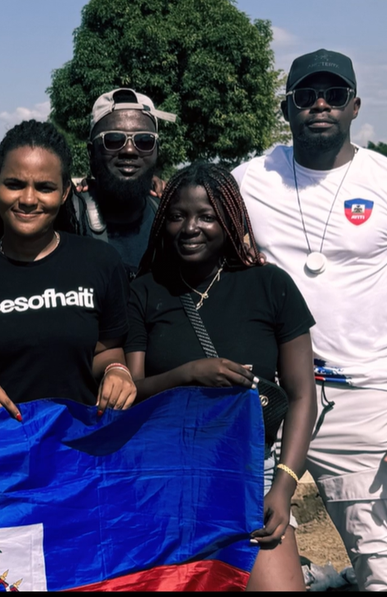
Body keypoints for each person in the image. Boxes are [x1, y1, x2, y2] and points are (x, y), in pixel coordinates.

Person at [234, 49, 387, 591]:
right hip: (271, 400)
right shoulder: (247, 182)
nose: (320, 105)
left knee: (385, 573)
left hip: (364, 403)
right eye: (306, 96)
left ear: (356, 105)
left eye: (334, 95)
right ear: (288, 108)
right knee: (253, 554)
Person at [126, 161, 317, 591]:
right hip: (165, 478)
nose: (189, 227)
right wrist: (187, 374)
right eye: (177, 215)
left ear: (230, 219)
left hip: (251, 475)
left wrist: (283, 488)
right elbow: (133, 392)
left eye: (206, 216)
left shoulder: (270, 286)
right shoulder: (145, 291)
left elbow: (303, 395)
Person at [0, 120, 136, 417]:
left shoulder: (101, 262)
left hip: (73, 448)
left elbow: (105, 351)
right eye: (14, 184)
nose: (28, 199)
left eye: (45, 188)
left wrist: (117, 370)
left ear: (65, 192)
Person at [72, 88, 176, 281]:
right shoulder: (69, 220)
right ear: (91, 152)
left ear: (156, 152)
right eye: (113, 139)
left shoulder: (172, 219)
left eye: (144, 141)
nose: (129, 150)